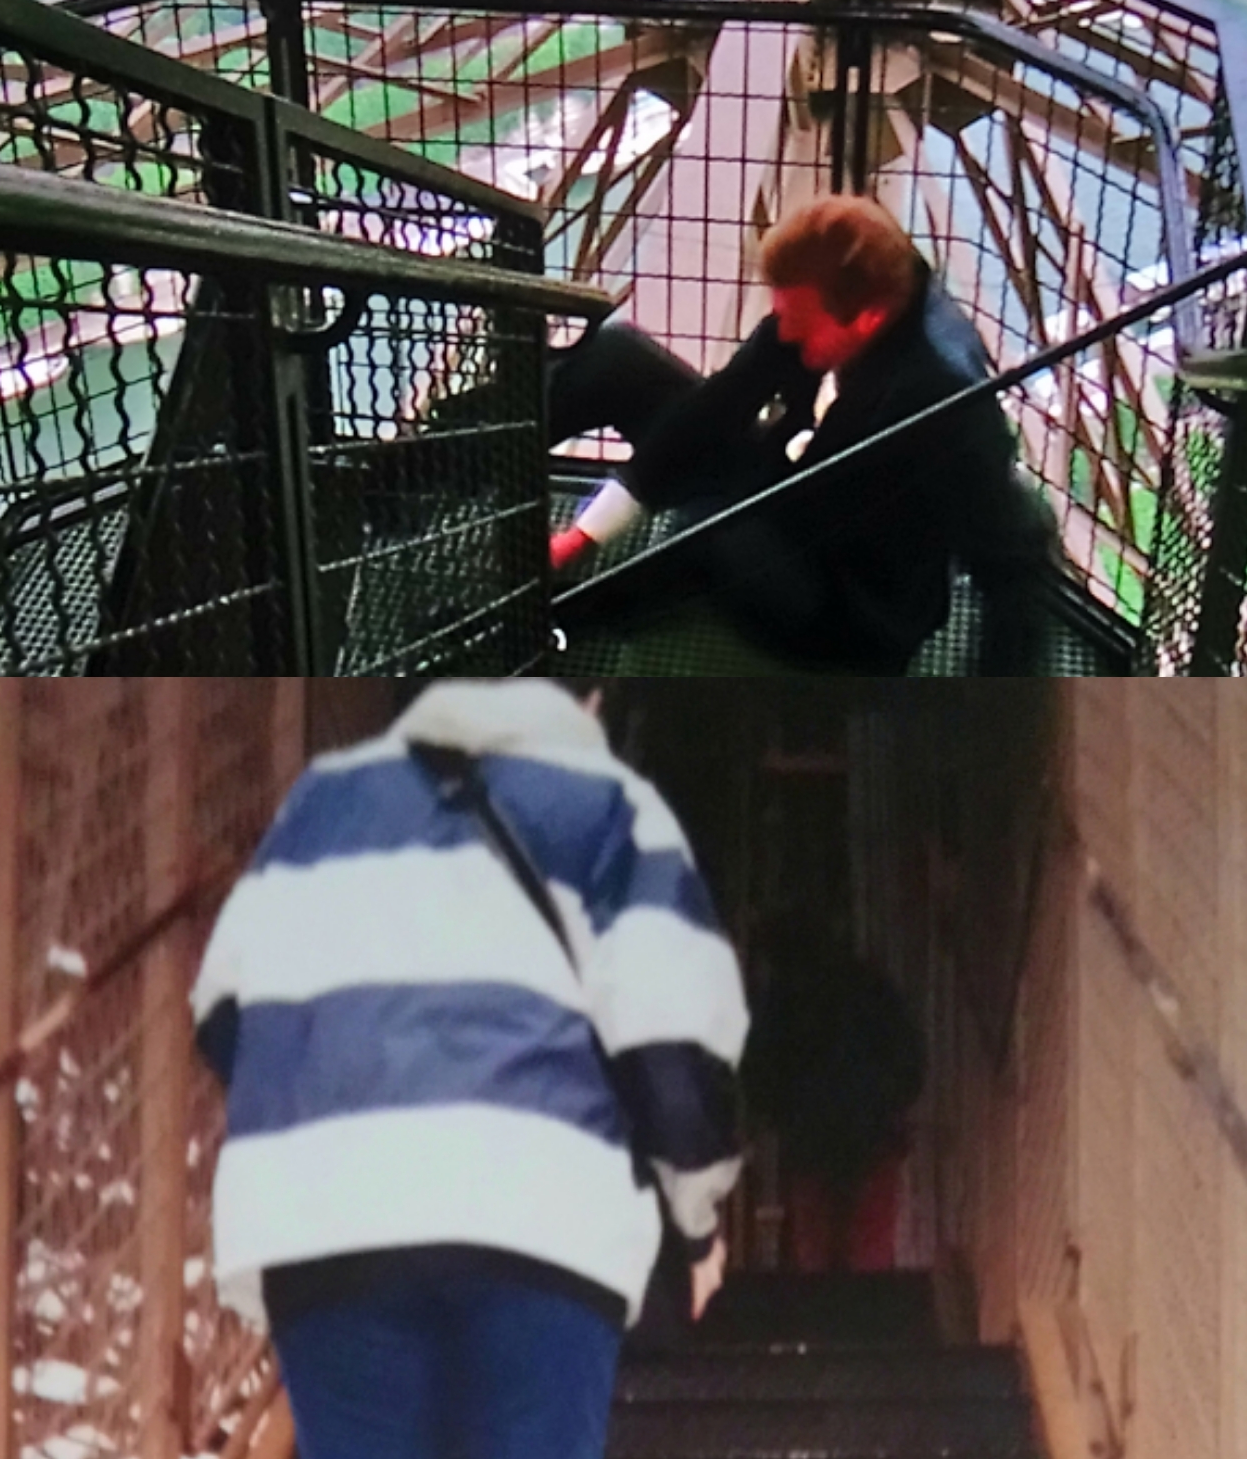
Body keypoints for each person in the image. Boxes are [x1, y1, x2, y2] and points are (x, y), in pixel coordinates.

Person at [191, 678, 747, 1459]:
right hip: (540, 1224)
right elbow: (671, 1043)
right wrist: (694, 1229)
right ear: (590, 698)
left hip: (330, 1226)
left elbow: (226, 1017)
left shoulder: (320, 804)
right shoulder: (611, 803)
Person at [547, 195, 1057, 675]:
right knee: (616, 362)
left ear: (868, 318)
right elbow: (720, 405)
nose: (783, 333)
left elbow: (1016, 568)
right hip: (796, 490)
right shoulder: (840, 291)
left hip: (849, 605)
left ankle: (559, 623)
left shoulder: (945, 402)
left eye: (798, 322)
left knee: (706, 532)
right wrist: (583, 535)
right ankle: (479, 458)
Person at [743, 913, 925, 1273]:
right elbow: (910, 1060)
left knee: (819, 1253)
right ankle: (867, 1307)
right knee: (868, 1249)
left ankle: (829, 1308)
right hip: (871, 1132)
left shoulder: (780, 1004)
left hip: (810, 1141)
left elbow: (757, 1076)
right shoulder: (871, 989)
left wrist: (780, 1114)